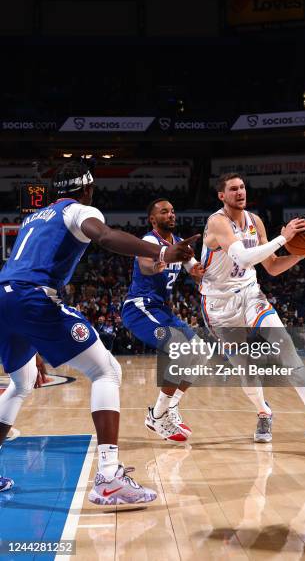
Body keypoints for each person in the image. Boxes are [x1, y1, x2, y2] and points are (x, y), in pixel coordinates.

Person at [0, 162, 198, 501]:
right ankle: (108, 476)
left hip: (5, 298)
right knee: (106, 370)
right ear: (88, 189)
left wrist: (32, 341)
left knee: (21, 382)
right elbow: (105, 236)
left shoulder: (35, 216)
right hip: (34, 296)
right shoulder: (78, 210)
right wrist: (163, 250)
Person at [200, 173, 305, 443]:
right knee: (246, 370)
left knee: (284, 341)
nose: (240, 192)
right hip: (219, 304)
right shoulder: (217, 222)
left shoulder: (255, 221)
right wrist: (282, 238)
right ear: (222, 195)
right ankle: (264, 413)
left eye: (242, 187)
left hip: (251, 293)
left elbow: (272, 267)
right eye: (233, 189)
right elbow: (241, 256)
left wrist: (300, 253)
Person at [121, 199, 204, 442]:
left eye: (173, 211)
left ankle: (169, 407)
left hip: (161, 311)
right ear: (152, 219)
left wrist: (201, 271)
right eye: (164, 211)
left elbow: (196, 273)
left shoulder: (179, 244)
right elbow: (147, 267)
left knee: (200, 353)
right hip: (140, 307)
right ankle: (157, 416)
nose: (170, 214)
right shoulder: (149, 241)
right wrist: (162, 262)